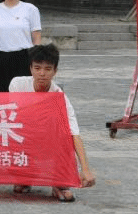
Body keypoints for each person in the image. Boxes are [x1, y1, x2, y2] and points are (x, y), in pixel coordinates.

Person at [10, 44, 96, 202]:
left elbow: (74, 134)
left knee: (64, 135)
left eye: (48, 69)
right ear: (30, 69)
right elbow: (13, 117)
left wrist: (85, 169)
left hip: (49, 141)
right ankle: (25, 176)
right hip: (24, 137)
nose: (42, 73)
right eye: (37, 68)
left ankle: (59, 182)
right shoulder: (17, 85)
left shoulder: (60, 98)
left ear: (55, 71)